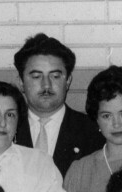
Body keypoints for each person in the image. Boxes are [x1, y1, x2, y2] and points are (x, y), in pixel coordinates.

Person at [11, 33, 103, 178]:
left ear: (68, 81)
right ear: (21, 82)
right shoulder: (8, 128)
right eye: (36, 76)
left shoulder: (92, 131)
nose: (46, 85)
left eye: (55, 76)